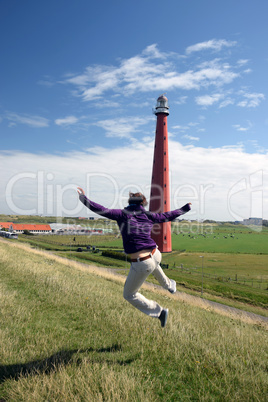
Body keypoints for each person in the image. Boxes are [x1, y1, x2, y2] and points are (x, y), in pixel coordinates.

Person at [77, 187, 191, 328]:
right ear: (142, 204)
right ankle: (170, 286)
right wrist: (185, 208)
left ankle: (160, 312)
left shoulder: (122, 214)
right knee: (154, 264)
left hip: (143, 263)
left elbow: (101, 209)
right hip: (156, 253)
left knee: (129, 294)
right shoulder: (149, 215)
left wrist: (83, 198)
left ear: (130, 202)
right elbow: (168, 215)